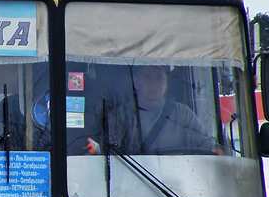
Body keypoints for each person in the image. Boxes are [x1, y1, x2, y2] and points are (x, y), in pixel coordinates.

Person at [88, 64, 221, 155]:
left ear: (167, 82)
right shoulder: (121, 116)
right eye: (148, 77)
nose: (154, 83)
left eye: (159, 78)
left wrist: (217, 150)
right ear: (136, 81)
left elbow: (206, 144)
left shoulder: (182, 114)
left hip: (176, 188)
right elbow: (107, 153)